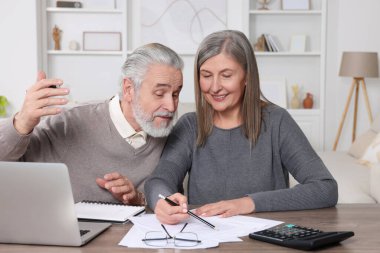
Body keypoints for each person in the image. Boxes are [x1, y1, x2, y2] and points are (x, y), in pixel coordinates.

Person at [144, 30, 338, 225]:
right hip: (204, 240)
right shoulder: (189, 126)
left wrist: (248, 203)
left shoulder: (276, 122)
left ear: (246, 76)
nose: (215, 87)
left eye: (226, 75)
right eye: (206, 75)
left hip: (264, 241)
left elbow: (325, 188)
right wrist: (163, 201)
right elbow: (159, 181)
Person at [0, 43, 184, 205]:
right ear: (129, 90)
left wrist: (138, 199)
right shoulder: (70, 122)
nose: (171, 106)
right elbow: (6, 164)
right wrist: (22, 122)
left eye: (176, 94)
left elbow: (171, 202)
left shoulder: (170, 135)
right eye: (160, 94)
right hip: (71, 238)